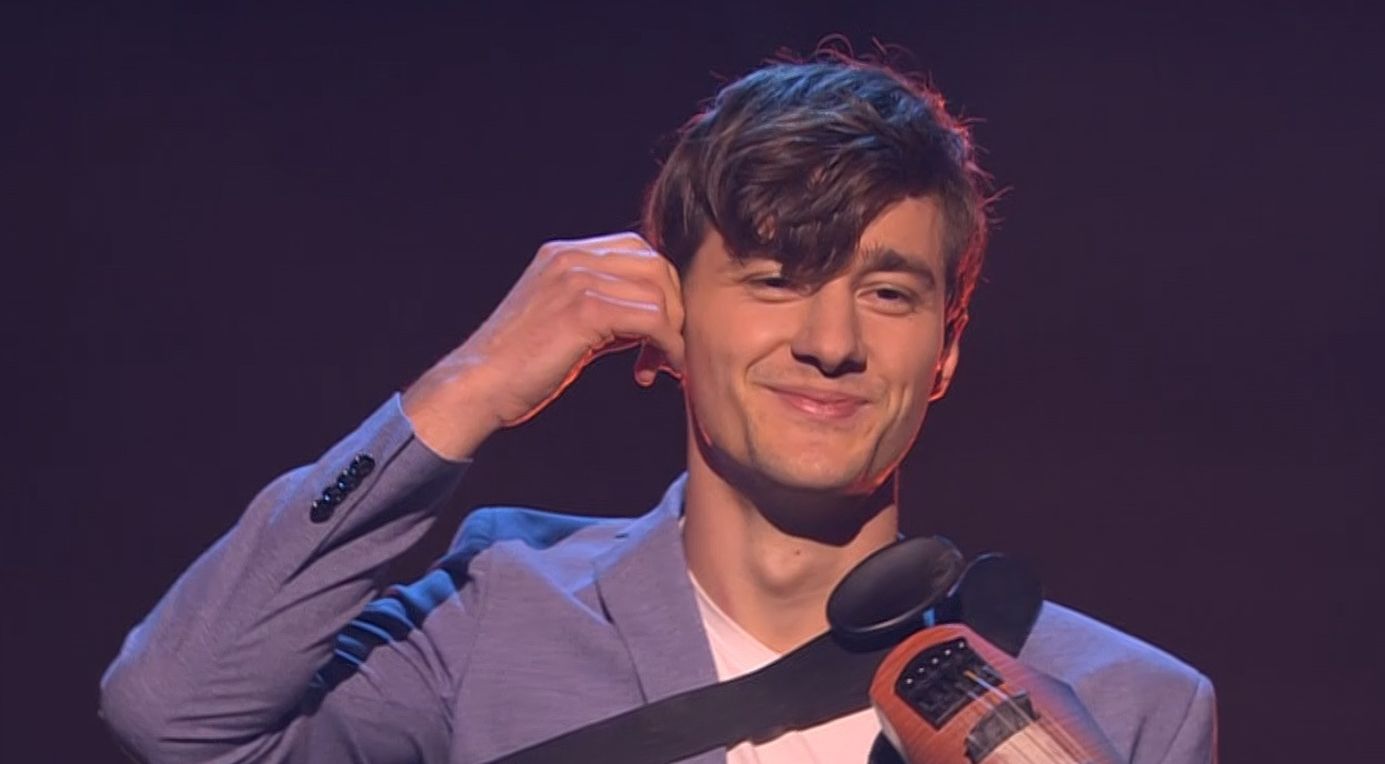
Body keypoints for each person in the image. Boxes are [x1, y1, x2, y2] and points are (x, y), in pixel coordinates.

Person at [100, 52, 1216, 763]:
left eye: (887, 292)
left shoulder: (1125, 705)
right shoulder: (496, 620)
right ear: (669, 315)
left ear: (945, 350)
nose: (831, 343)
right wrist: (469, 384)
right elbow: (175, 716)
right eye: (775, 279)